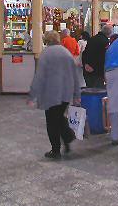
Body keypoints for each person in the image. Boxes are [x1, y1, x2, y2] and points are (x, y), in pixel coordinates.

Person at [27, 31, 81, 159]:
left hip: (51, 93)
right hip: (66, 93)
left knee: (52, 121)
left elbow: (39, 77)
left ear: (46, 40)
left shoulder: (45, 54)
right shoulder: (66, 53)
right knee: (60, 117)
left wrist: (32, 95)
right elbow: (75, 75)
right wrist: (76, 94)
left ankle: (55, 150)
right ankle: (67, 138)